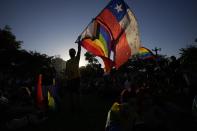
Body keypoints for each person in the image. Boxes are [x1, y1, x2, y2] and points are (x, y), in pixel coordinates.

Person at [65, 43, 81, 113]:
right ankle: (73, 107)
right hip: (70, 80)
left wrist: (79, 44)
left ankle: (78, 107)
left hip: (76, 78)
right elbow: (66, 71)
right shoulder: (67, 62)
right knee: (71, 94)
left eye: (72, 52)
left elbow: (79, 51)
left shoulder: (77, 59)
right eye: (70, 52)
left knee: (77, 93)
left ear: (74, 53)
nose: (71, 53)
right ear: (69, 53)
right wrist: (67, 77)